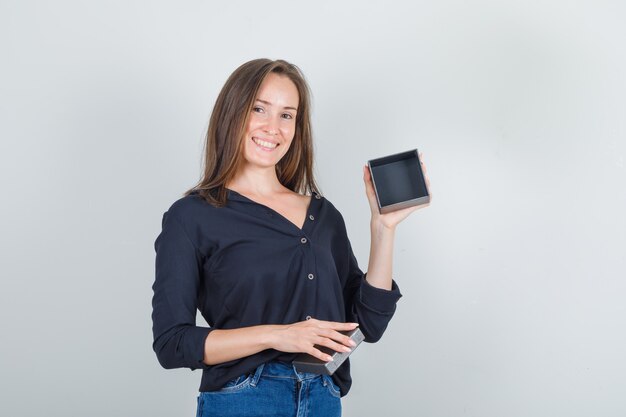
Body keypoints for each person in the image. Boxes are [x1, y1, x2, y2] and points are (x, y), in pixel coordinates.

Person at [151, 58, 430, 417]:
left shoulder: (323, 215)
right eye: (259, 109)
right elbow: (172, 343)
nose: (273, 127)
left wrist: (383, 229)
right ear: (231, 113)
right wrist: (278, 335)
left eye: (287, 115)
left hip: (322, 398)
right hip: (243, 399)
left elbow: (368, 324)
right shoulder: (192, 216)